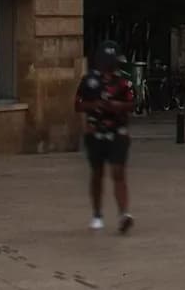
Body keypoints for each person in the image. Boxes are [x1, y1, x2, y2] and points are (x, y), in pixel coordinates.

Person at [74, 43, 134, 233]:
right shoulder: (89, 81)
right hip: (95, 132)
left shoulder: (123, 82)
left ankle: (123, 214)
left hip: (117, 132)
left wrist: (117, 106)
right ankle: (97, 214)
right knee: (97, 173)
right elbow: (78, 104)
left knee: (118, 172)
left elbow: (132, 103)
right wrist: (95, 105)